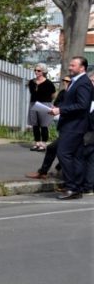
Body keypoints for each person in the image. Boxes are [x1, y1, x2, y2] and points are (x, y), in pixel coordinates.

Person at [48, 56, 92, 200]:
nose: (70, 67)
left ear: (82, 68)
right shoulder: (77, 81)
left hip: (74, 126)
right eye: (70, 65)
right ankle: (76, 188)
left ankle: (72, 186)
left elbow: (82, 105)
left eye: (73, 65)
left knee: (63, 154)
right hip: (73, 125)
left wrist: (60, 110)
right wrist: (59, 108)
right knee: (77, 156)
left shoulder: (83, 83)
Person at [27, 63, 55, 151]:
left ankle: (43, 143)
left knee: (44, 125)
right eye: (35, 70)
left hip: (44, 104)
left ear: (43, 71)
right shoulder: (31, 82)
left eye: (38, 70)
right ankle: (37, 142)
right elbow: (32, 92)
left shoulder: (48, 83)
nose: (36, 72)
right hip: (33, 103)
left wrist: (49, 103)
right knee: (34, 125)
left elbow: (53, 94)